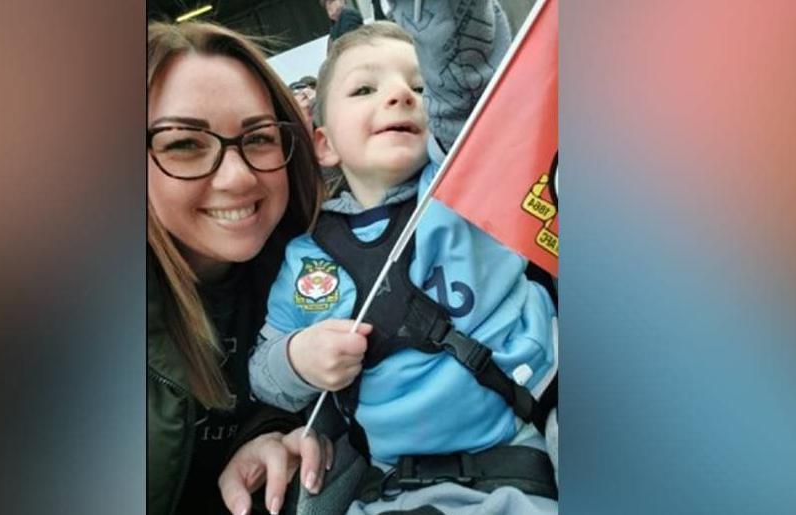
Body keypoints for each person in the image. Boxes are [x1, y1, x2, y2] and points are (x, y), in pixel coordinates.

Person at [250, 1, 559, 513]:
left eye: (419, 88)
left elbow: (464, 82)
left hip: (525, 453)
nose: (399, 94)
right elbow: (264, 373)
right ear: (323, 144)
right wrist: (298, 359)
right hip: (392, 490)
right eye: (365, 89)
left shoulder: (464, 184)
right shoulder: (309, 258)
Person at [147, 20, 333, 515]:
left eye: (259, 138)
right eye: (184, 144)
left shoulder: (330, 271)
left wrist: (268, 434)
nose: (237, 176)